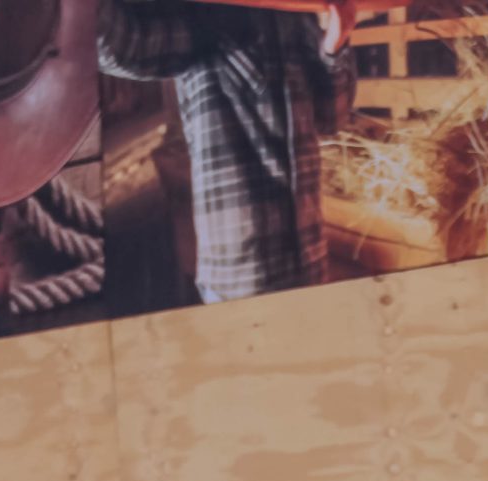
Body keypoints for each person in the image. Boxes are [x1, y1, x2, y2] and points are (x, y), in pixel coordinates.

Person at [100, 0, 361, 302]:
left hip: (311, 262)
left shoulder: (299, 17)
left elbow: (332, 118)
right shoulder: (205, 13)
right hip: (243, 282)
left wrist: (334, 44)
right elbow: (118, 44)